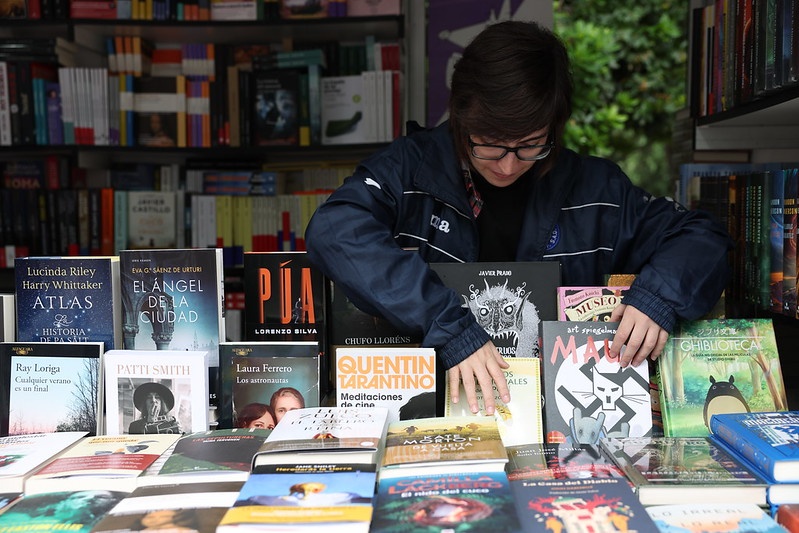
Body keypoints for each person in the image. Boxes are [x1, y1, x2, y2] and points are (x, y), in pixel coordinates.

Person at [305, 20, 732, 417]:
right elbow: (335, 229)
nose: (508, 166)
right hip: (428, 413)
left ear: (555, 127)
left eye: (530, 145)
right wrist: (447, 325)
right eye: (489, 145)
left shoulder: (597, 190)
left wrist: (658, 297)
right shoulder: (409, 170)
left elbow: (702, 236)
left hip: (563, 415)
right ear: (460, 117)